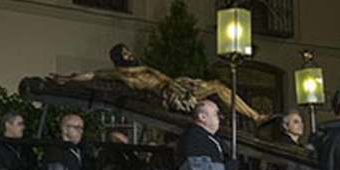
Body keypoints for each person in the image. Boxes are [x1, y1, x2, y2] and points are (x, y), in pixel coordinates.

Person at [52, 43, 268, 125]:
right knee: (214, 96)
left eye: (129, 50)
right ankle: (251, 117)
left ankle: (255, 116)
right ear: (119, 57)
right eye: (125, 52)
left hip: (177, 84)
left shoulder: (139, 68)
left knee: (219, 86)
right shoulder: (120, 73)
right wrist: (68, 79)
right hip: (168, 92)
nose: (130, 53)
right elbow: (91, 75)